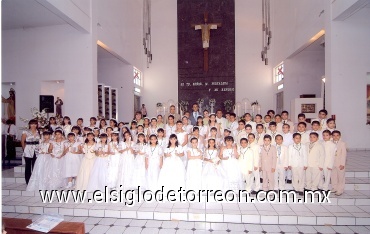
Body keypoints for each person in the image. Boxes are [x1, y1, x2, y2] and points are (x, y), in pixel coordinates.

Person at [21, 119, 41, 184]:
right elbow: (22, 141)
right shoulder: (26, 132)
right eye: (32, 124)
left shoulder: (39, 132)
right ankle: (28, 181)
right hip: (28, 150)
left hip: (36, 150)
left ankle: (34, 181)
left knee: (35, 166)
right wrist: (24, 149)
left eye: (35, 124)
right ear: (29, 125)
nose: (33, 125)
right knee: (28, 166)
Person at [331, 130, 347, 196]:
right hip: (332, 163)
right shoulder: (330, 143)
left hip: (339, 163)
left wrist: (342, 164)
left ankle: (340, 190)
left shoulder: (342, 143)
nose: (335, 137)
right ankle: (334, 188)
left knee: (340, 177)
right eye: (334, 135)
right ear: (332, 136)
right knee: (333, 176)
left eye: (337, 135)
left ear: (339, 136)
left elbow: (344, 154)